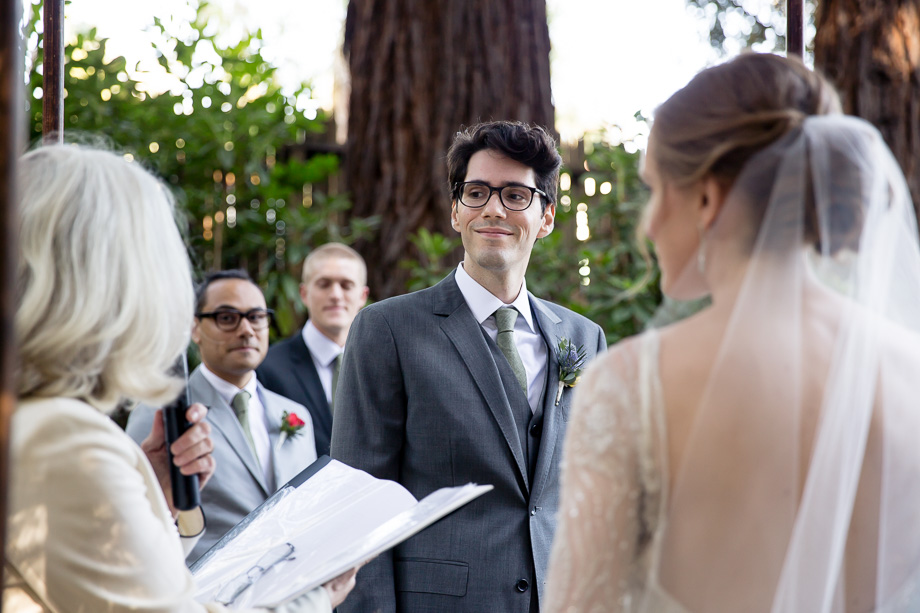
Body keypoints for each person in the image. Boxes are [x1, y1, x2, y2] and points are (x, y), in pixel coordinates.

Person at [545, 53, 920, 612]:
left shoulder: (633, 383)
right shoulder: (907, 364)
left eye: (654, 188)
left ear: (707, 198)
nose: (647, 225)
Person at [5, 144, 355, 612]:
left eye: (256, 316)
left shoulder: (30, 419)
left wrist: (158, 501)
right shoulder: (66, 441)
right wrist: (313, 599)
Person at [331, 120, 607, 613]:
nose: (493, 209)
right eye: (476, 192)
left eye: (516, 195)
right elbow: (357, 507)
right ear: (456, 212)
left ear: (545, 218)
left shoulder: (583, 338)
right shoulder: (387, 330)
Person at [126, 269, 319, 563]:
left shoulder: (294, 413)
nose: (246, 330)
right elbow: (133, 515)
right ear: (195, 328)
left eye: (256, 317)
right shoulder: (161, 414)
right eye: (227, 318)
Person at [258, 243, 369, 457]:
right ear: (304, 293)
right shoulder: (267, 368)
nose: (336, 295)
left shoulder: (381, 364)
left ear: (362, 296)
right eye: (324, 284)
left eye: (346, 285)